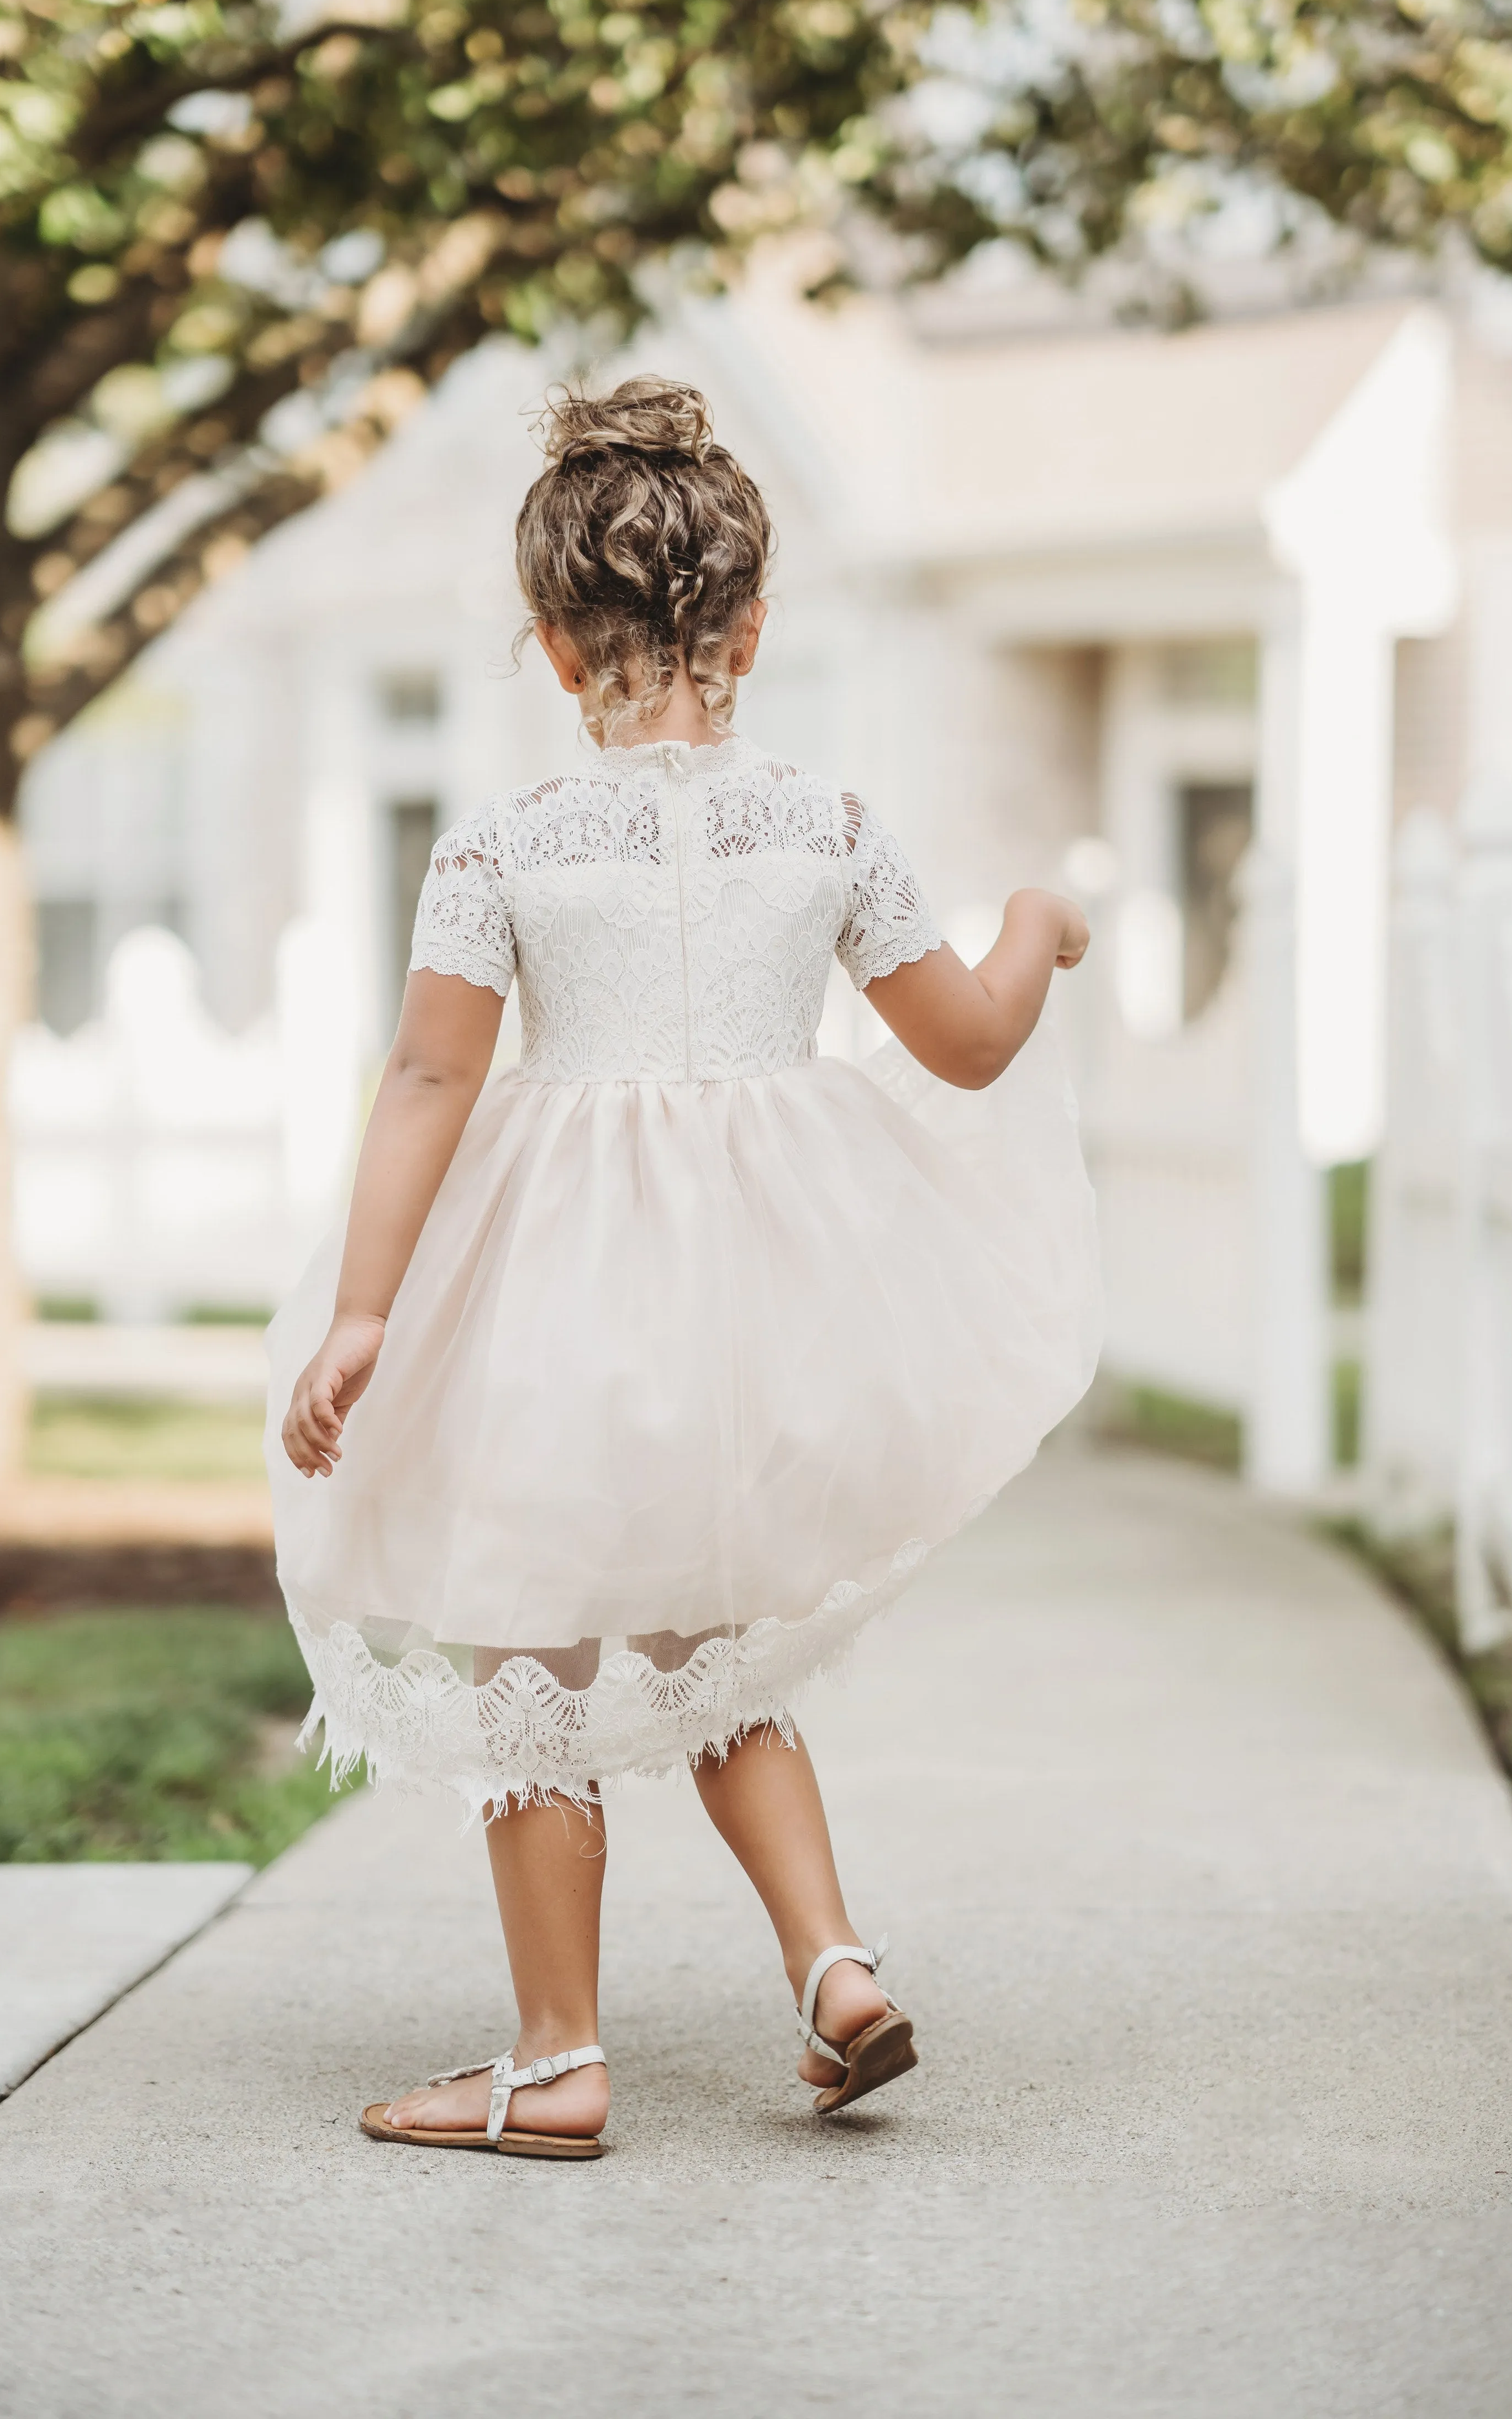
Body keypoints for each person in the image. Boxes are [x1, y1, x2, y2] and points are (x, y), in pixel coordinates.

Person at [268, 376, 1100, 2160]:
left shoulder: (500, 844)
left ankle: (559, 2059)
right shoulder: (831, 827)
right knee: (716, 1655)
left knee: (534, 1658)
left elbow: (431, 1077)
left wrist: (362, 1312)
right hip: (760, 1305)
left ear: (557, 651)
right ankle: (836, 1968)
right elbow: (961, 1046)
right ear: (753, 627)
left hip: (557, 1294)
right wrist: (1034, 929)